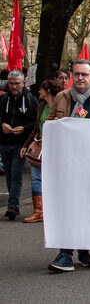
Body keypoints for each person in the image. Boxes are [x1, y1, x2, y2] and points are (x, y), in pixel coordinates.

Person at [47, 59, 90, 272]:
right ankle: (65, 254)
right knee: (68, 207)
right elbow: (48, 126)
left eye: (84, 74)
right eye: (76, 74)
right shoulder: (61, 98)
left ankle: (84, 249)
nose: (80, 78)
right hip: (67, 164)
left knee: (87, 208)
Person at [19, 79, 59, 223]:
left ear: (48, 90)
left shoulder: (60, 105)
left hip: (55, 148)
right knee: (36, 178)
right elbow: (37, 128)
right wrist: (26, 144)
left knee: (53, 179)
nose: (38, 91)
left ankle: (53, 209)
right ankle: (38, 211)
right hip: (40, 147)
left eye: (41, 89)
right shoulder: (41, 106)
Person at [0, 70, 38, 220]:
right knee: (9, 174)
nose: (14, 87)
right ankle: (12, 201)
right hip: (4, 142)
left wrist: (24, 128)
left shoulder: (30, 99)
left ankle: (13, 205)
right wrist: (2, 125)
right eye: (11, 84)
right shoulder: (3, 100)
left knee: (16, 173)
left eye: (17, 84)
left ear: (23, 83)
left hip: (21, 144)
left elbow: (35, 121)